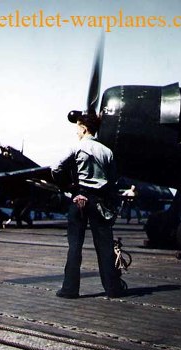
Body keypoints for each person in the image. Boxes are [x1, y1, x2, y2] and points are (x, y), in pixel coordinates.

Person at [51, 113, 127, 299]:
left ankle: (70, 289)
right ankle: (113, 289)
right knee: (105, 247)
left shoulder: (76, 147)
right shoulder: (107, 152)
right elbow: (113, 180)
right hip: (101, 203)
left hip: (79, 201)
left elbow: (55, 168)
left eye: (78, 127)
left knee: (75, 246)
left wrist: (71, 191)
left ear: (84, 128)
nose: (77, 131)